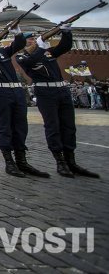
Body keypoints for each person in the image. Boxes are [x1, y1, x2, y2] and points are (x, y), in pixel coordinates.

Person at [16, 25, 99, 178]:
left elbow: (65, 46)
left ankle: (71, 161)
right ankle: (60, 162)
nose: (33, 40)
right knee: (53, 126)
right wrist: (40, 47)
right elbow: (30, 63)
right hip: (45, 92)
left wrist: (66, 32)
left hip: (62, 90)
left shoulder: (48, 53)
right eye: (29, 39)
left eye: (34, 38)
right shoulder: (22, 56)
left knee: (69, 126)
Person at [0, 29, 49, 178]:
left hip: (16, 91)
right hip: (0, 93)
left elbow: (18, 44)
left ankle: (22, 161)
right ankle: (9, 162)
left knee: (21, 126)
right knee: (5, 126)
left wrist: (17, 32)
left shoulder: (2, 52)